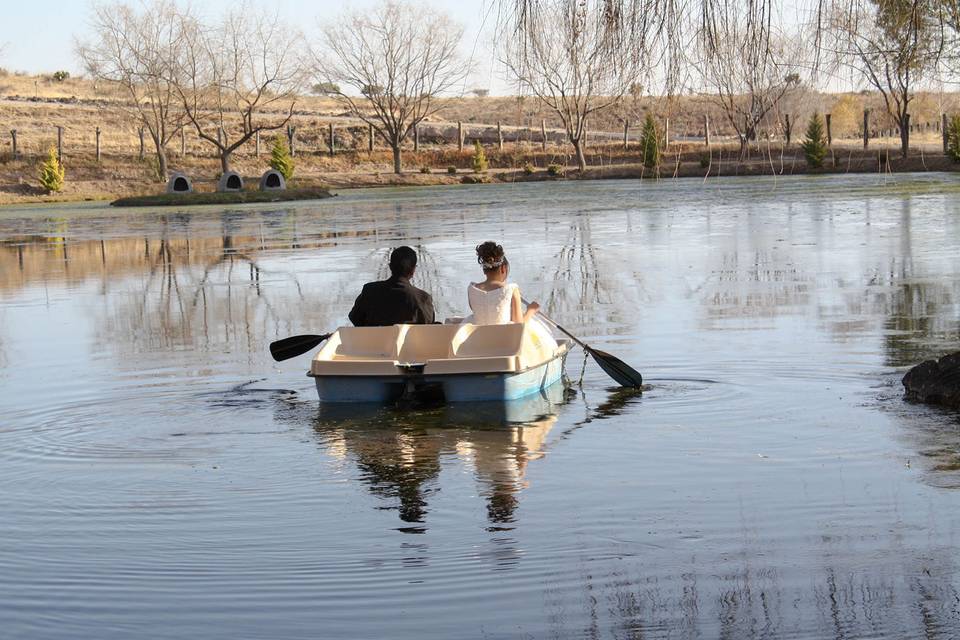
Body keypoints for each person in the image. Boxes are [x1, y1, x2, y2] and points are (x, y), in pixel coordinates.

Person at [465, 242, 557, 349]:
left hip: (479, 340)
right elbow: (519, 325)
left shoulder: (472, 288)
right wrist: (531, 310)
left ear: (484, 270)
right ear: (503, 268)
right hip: (505, 341)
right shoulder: (511, 289)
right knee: (533, 326)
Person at [349, 246, 436, 327]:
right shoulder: (423, 299)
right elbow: (428, 328)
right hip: (409, 343)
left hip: (373, 342)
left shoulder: (369, 291)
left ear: (390, 267)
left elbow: (355, 318)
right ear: (413, 270)